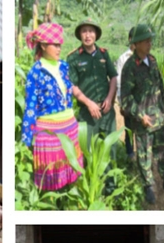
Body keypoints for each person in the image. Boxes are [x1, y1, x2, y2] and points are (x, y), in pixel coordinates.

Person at [121, 24, 164, 204]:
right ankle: (148, 185)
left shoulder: (153, 60)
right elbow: (125, 98)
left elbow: (160, 85)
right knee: (144, 154)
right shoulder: (130, 67)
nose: (150, 43)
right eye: (146, 41)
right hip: (144, 120)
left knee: (163, 150)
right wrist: (140, 115)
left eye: (150, 40)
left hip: (158, 117)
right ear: (137, 43)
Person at [21, 23, 83, 191]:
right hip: (49, 135)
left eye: (60, 45)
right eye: (54, 44)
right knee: (51, 184)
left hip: (70, 128)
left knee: (71, 178)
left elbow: (69, 92)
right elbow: (30, 108)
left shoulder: (63, 67)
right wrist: (26, 141)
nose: (58, 48)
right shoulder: (36, 72)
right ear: (42, 45)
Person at [68, 18, 118, 147]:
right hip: (87, 112)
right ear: (80, 35)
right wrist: (89, 103)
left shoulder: (104, 54)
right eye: (84, 31)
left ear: (96, 34)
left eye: (91, 31)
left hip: (106, 109)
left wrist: (109, 98)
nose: (88, 35)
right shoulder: (73, 58)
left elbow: (113, 77)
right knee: (88, 151)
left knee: (110, 149)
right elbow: (73, 85)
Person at [115, 27, 136, 159]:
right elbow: (118, 81)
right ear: (130, 40)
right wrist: (121, 102)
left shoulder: (147, 58)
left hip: (142, 102)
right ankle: (130, 154)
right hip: (128, 101)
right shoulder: (123, 58)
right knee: (129, 128)